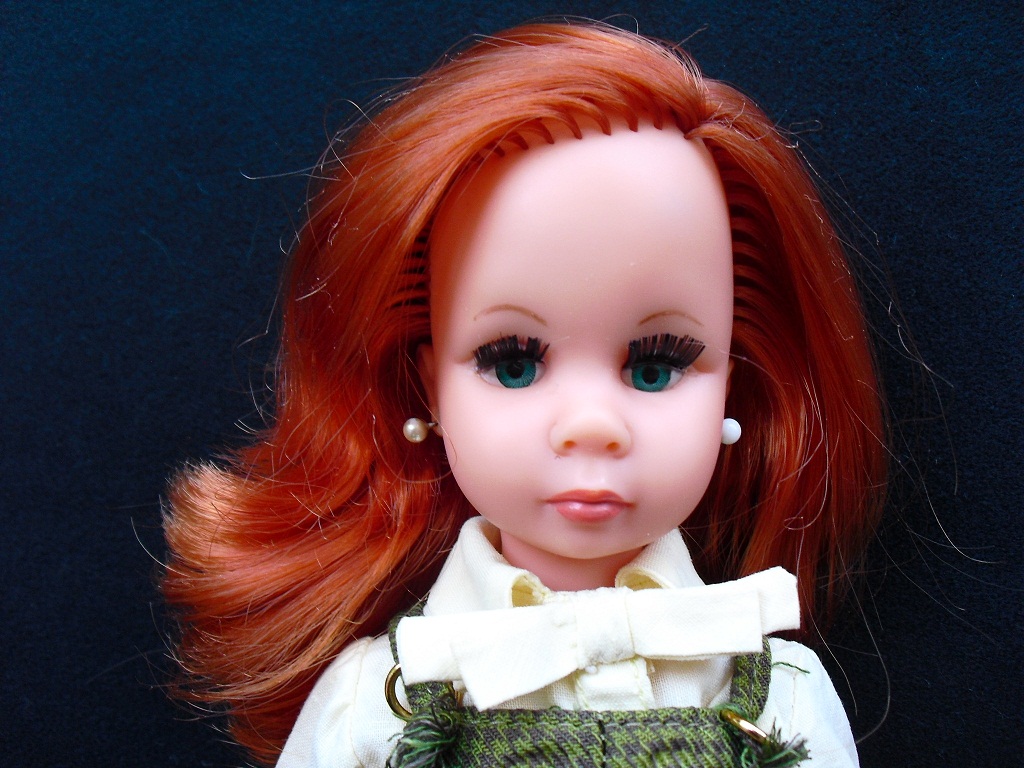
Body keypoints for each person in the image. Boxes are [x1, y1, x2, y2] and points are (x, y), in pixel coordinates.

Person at [163, 21, 885, 768]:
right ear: (429, 389)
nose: (592, 425)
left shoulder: (775, 696)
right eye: (512, 364)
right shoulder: (377, 701)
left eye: (656, 367)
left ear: (731, 384)